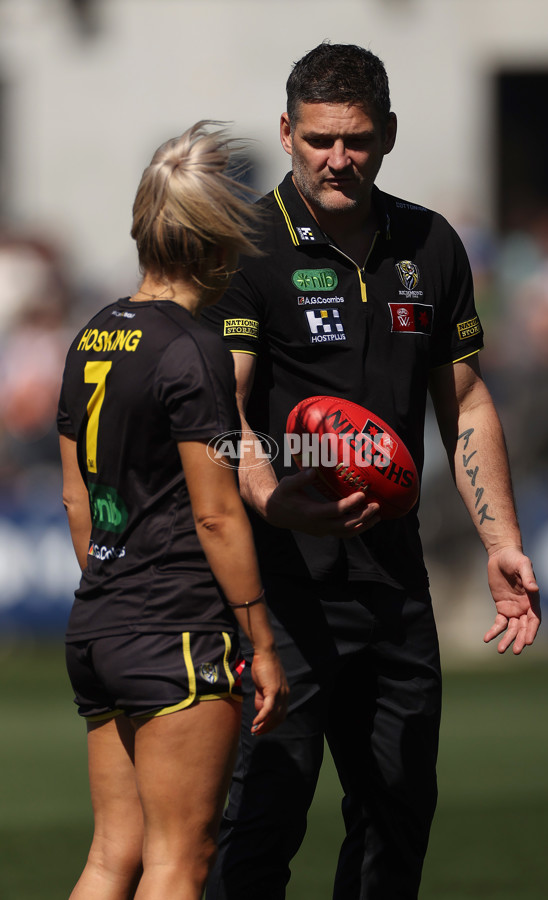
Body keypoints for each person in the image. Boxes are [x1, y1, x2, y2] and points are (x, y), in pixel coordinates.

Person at [202, 43, 541, 900]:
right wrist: (277, 501)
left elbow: (463, 403)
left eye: (356, 140)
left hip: (393, 587)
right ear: (287, 132)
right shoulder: (247, 249)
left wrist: (501, 540)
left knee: (396, 820)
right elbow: (224, 418)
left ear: (387, 134)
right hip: (279, 590)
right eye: (318, 139)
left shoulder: (430, 243)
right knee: (260, 828)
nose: (337, 159)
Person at [57, 121, 288, 900]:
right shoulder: (195, 350)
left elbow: (73, 495)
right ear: (219, 243)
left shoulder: (92, 334)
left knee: (110, 856)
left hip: (100, 623)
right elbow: (218, 514)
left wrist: (113, 590)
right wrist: (260, 639)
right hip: (177, 632)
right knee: (179, 860)